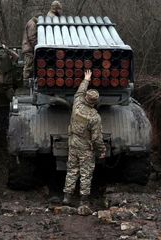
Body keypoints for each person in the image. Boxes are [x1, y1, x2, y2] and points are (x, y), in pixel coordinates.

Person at [63, 69, 106, 208]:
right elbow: (97, 139)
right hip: (86, 148)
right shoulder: (94, 117)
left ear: (86, 98)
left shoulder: (77, 104)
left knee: (72, 170)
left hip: (73, 142)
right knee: (85, 173)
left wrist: (86, 79)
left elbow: (80, 92)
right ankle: (84, 200)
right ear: (95, 102)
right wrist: (101, 152)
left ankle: (67, 197)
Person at [21, 16, 38, 87]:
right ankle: (26, 83)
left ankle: (27, 81)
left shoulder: (31, 22)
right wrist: (37, 46)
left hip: (28, 47)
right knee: (28, 65)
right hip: (28, 48)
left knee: (29, 65)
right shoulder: (32, 24)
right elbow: (32, 37)